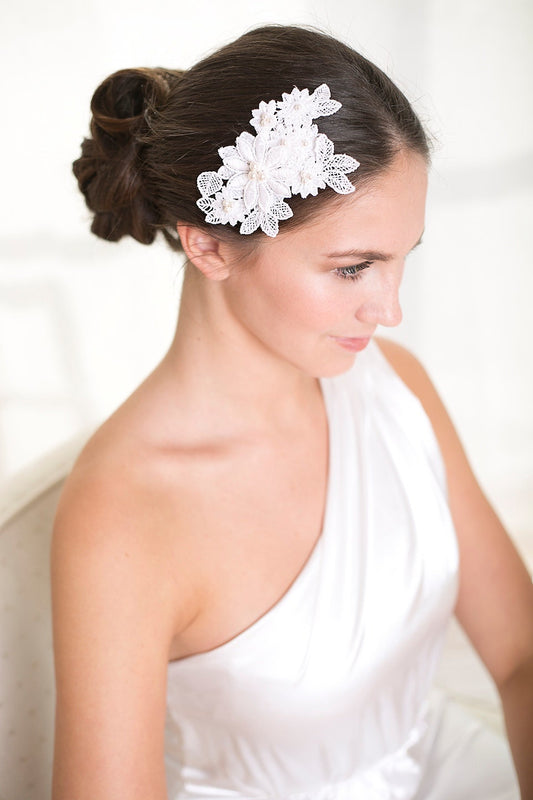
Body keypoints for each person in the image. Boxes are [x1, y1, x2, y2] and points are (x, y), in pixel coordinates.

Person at [51, 24, 533, 800]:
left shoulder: (392, 386)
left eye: (402, 257)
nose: (390, 310)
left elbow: (519, 656)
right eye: (352, 269)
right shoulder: (123, 515)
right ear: (208, 245)